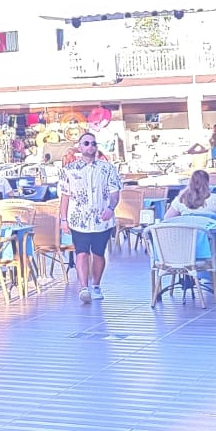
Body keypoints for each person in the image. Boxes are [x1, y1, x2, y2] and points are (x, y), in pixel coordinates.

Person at [60, 130, 122, 304]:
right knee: (81, 253)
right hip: (79, 219)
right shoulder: (68, 170)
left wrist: (111, 208)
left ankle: (96, 285)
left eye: (93, 143)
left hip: (101, 219)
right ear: (80, 147)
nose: (90, 146)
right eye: (86, 143)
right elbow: (65, 196)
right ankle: (83, 287)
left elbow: (115, 192)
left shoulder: (107, 169)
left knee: (99, 253)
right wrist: (63, 219)